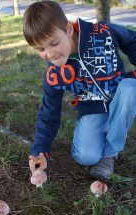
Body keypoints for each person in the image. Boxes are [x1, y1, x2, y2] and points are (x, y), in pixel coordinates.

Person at [23, 0, 136, 180]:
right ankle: (107, 128)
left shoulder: (102, 33)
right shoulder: (54, 75)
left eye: (54, 43)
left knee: (132, 88)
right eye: (40, 49)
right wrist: (41, 150)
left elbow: (132, 39)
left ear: (68, 29)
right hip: (93, 107)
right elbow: (48, 114)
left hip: (122, 94)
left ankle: (109, 154)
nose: (50, 54)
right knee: (85, 156)